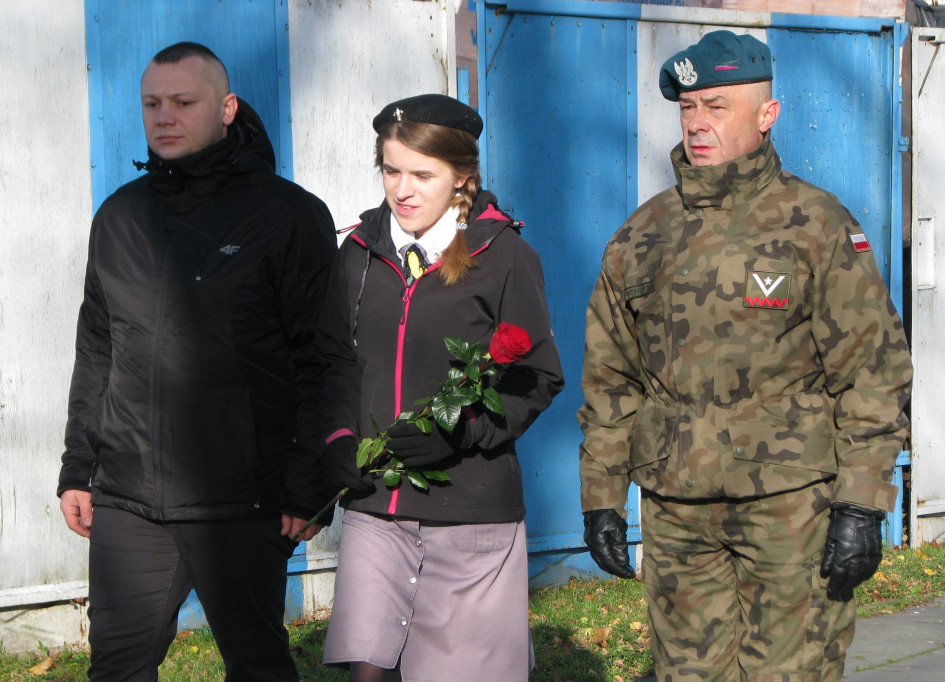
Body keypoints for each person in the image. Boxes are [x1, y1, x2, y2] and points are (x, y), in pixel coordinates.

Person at [577, 30, 913, 681]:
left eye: (718, 106)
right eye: (688, 108)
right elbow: (611, 381)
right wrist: (601, 499)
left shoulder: (814, 225)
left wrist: (861, 504)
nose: (698, 125)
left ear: (767, 114)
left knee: (791, 673)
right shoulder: (643, 236)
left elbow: (872, 371)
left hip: (790, 508)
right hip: (678, 508)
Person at [56, 42, 337, 681]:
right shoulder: (121, 215)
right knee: (117, 668)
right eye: (153, 104)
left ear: (227, 107)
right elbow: (97, 347)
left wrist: (310, 482)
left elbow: (321, 359)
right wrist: (79, 466)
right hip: (129, 495)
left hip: (241, 496)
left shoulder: (289, 215)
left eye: (184, 102)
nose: (165, 117)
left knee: (259, 665)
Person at [316, 93, 564, 682]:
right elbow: (330, 364)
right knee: (368, 672)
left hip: (470, 507)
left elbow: (538, 375)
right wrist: (338, 440)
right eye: (391, 169)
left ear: (462, 178)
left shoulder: (504, 256)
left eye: (423, 174)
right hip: (376, 500)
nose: (403, 189)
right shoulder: (356, 255)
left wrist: (463, 427)